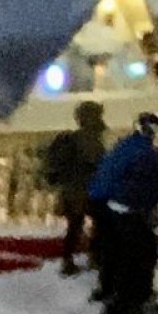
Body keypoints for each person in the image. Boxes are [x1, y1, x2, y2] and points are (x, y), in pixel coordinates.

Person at [86, 111, 158, 314]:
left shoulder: (127, 145)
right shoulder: (142, 152)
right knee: (132, 251)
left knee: (113, 249)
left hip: (102, 198)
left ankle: (109, 290)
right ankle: (127, 297)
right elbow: (134, 181)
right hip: (115, 202)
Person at [41, 99, 107, 276]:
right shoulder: (89, 139)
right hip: (87, 191)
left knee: (75, 227)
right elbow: (98, 164)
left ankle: (69, 261)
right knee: (99, 224)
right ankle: (94, 257)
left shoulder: (76, 138)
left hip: (72, 191)